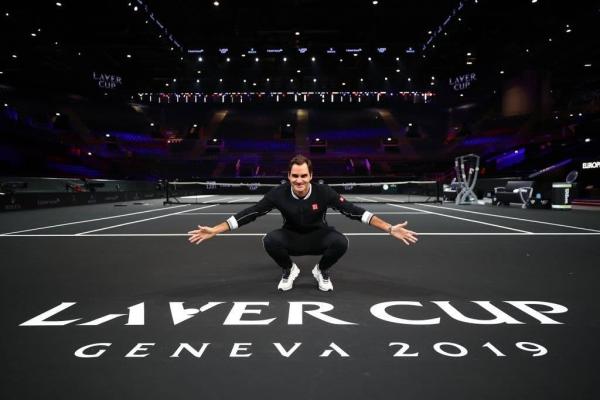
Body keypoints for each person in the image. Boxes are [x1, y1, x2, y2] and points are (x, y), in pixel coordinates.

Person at [188, 154, 418, 292]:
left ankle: (322, 270)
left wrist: (389, 228)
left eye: (303, 176)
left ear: (311, 176)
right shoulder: (277, 194)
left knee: (341, 242)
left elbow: (355, 212)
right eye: (295, 176)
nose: (299, 180)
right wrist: (215, 230)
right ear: (289, 176)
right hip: (291, 238)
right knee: (269, 240)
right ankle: (289, 269)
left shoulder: (324, 192)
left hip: (319, 236)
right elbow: (251, 213)